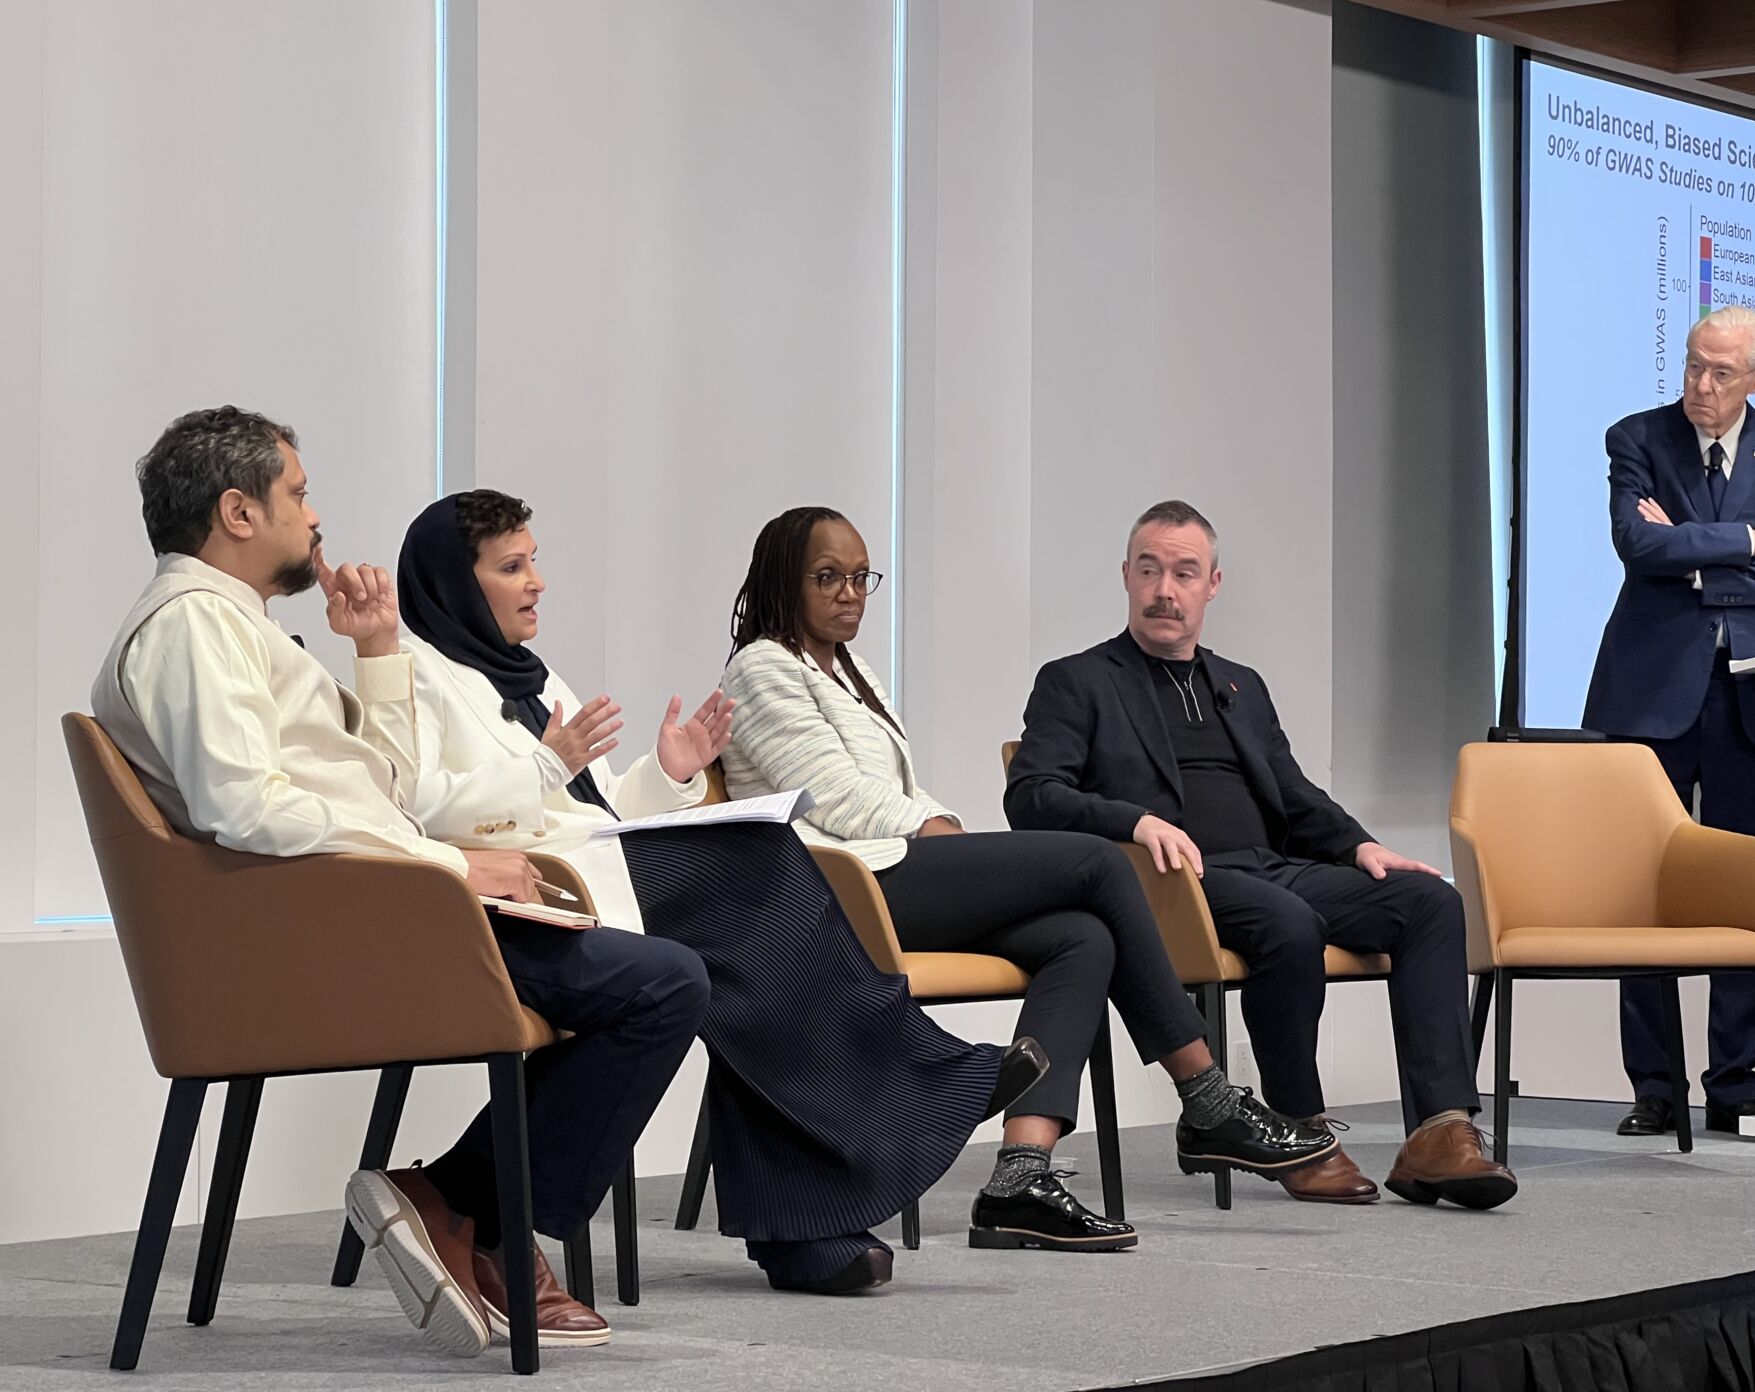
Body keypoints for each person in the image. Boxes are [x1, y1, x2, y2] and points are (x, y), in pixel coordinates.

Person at [91, 407, 706, 1357]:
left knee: (652, 973)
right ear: (238, 512)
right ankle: (467, 1213)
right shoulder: (193, 626)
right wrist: (450, 866)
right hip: (340, 929)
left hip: (364, 909)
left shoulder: (232, 623)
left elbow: (385, 790)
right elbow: (245, 810)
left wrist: (376, 650)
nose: (314, 516)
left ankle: (461, 1210)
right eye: (297, 494)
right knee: (660, 984)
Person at [393, 490, 1048, 1294]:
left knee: (754, 955)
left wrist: (668, 771)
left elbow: (596, 808)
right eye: (512, 567)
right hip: (535, 895)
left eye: (535, 562)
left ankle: (804, 1225)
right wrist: (545, 763)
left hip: (597, 869)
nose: (537, 582)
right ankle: (915, 1090)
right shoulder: (414, 675)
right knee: (762, 880)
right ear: (455, 584)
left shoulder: (535, 674)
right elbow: (415, 808)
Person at [719, 507, 1338, 1252]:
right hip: (837, 889)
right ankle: (1208, 1096)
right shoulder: (763, 668)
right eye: (827, 578)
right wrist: (942, 833)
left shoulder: (849, 671)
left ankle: (1020, 1177)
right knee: (1099, 861)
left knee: (1083, 937)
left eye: (860, 578)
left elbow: (889, 790)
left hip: (890, 868)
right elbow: (836, 798)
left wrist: (940, 828)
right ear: (784, 581)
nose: (850, 594)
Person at [1007, 501, 1518, 1211]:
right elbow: (1032, 795)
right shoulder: (1078, 680)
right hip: (1172, 883)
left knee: (1430, 902)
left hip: (1271, 868)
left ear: (1212, 585)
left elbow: (1292, 791)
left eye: (1184, 573)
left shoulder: (1239, 684)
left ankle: (1440, 1132)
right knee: (1288, 922)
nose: (1164, 590)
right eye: (1149, 571)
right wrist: (1136, 822)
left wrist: (1359, 845)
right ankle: (1300, 1131)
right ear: (1125, 576)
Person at [1584, 305, 1755, 1137]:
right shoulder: (1637, 437)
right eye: (1694, 365)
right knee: (1642, 889)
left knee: (1738, 889)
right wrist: (1752, 541)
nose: (1701, 385)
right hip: (1649, 693)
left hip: (1753, 695)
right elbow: (1637, 547)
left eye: (1721, 372)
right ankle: (1655, 1086)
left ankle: (1734, 1087)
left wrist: (1696, 554)